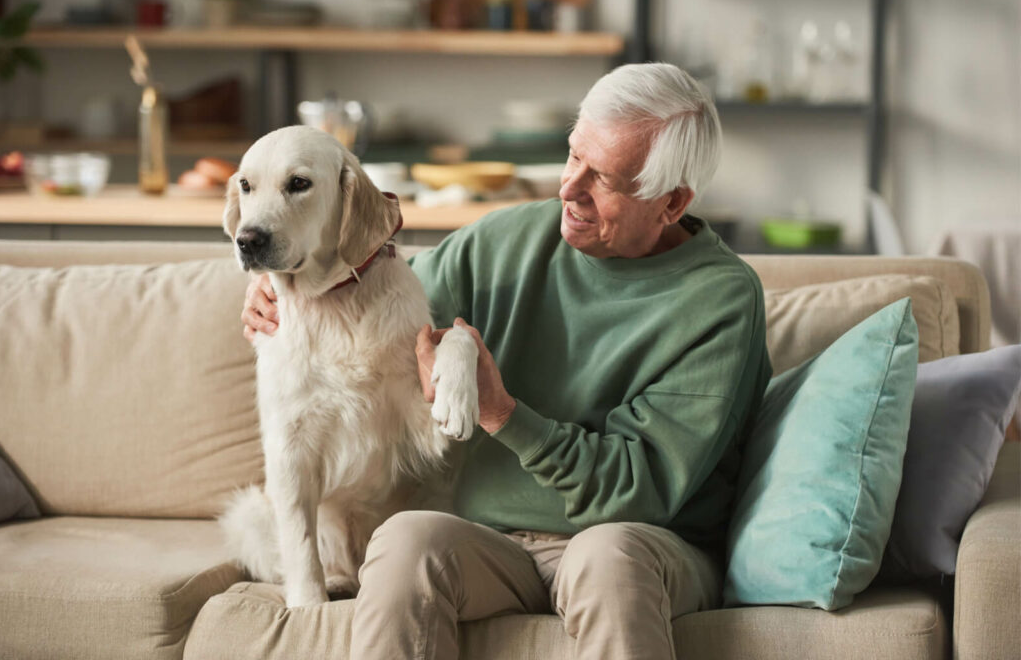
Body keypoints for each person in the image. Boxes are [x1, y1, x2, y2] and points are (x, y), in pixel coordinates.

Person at [242, 62, 772, 660]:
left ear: (671, 203)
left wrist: (502, 414)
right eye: (574, 157)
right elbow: (381, 296)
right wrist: (284, 284)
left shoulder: (721, 301)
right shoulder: (505, 239)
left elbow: (640, 493)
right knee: (406, 541)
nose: (570, 189)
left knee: (607, 557)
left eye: (606, 180)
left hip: (644, 543)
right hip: (493, 542)